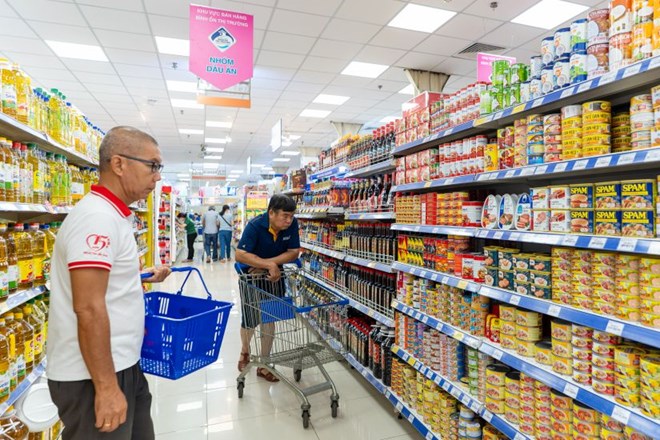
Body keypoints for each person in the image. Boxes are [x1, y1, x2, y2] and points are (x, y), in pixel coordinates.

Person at [46, 126, 172, 440]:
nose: (157, 176)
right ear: (118, 164)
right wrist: (106, 388)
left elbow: (105, 283)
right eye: (152, 165)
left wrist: (138, 276)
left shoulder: (113, 215)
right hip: (92, 377)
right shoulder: (97, 218)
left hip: (121, 364)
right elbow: (88, 307)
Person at [235, 195, 301, 382]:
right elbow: (240, 254)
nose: (289, 220)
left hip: (275, 277)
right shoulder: (255, 226)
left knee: (269, 318)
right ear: (271, 213)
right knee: (250, 319)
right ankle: (245, 350)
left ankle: (264, 363)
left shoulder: (292, 225)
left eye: (291, 216)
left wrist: (268, 265)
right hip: (251, 277)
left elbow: (294, 252)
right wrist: (267, 265)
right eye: (285, 216)